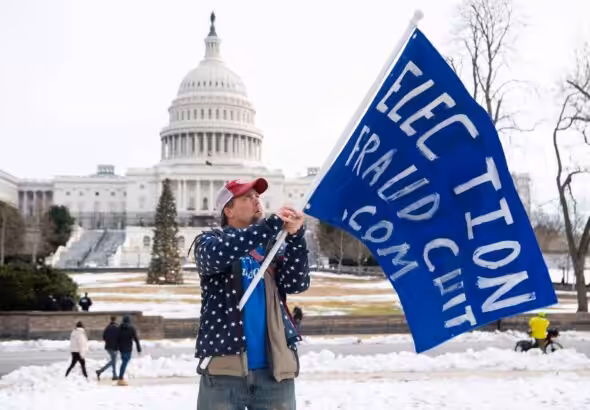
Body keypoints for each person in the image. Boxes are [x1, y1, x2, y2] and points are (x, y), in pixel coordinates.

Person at [193, 178, 310, 410]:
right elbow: (220, 254)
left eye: (258, 196)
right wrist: (268, 226)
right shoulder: (209, 242)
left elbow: (297, 283)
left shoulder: (272, 247)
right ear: (228, 210)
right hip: (224, 371)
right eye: (247, 197)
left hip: (274, 370)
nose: (257, 201)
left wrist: (296, 237)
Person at [116, 315, 141, 386]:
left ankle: (121, 378)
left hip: (121, 348)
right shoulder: (132, 328)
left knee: (124, 362)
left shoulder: (119, 328)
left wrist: (117, 347)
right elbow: (136, 339)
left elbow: (117, 338)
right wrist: (139, 349)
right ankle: (120, 379)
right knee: (125, 362)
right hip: (128, 348)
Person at [96, 316, 119, 381]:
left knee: (113, 360)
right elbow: (119, 337)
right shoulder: (117, 328)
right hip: (114, 347)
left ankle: (114, 375)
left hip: (108, 347)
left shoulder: (107, 328)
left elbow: (104, 337)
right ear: (115, 320)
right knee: (113, 361)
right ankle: (100, 371)